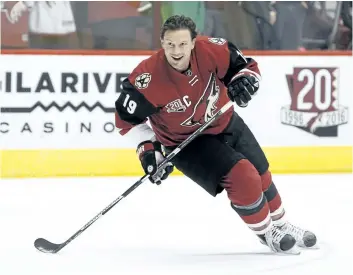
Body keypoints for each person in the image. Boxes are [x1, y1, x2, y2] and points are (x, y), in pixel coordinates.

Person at [114, 15, 317, 255]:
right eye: (170, 44)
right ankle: (267, 232)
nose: (176, 51)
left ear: (193, 42)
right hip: (187, 143)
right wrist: (149, 152)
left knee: (262, 173)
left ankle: (282, 225)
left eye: (182, 44)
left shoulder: (213, 49)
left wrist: (244, 82)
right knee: (245, 177)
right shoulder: (145, 79)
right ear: (162, 43)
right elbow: (125, 122)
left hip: (225, 121)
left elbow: (247, 67)